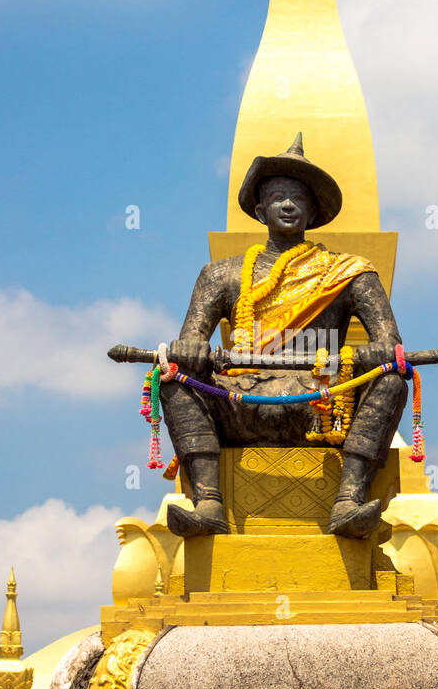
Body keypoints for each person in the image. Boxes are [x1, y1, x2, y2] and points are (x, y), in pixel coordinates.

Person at [161, 134, 407, 538]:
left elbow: (389, 341)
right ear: (260, 210)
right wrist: (189, 352)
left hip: (322, 404)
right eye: (278, 196)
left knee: (392, 379)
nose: (288, 204)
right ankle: (208, 503)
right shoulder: (220, 276)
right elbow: (191, 343)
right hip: (240, 402)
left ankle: (349, 501)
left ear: (314, 211)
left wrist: (378, 353)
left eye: (298, 198)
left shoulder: (348, 273)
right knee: (173, 381)